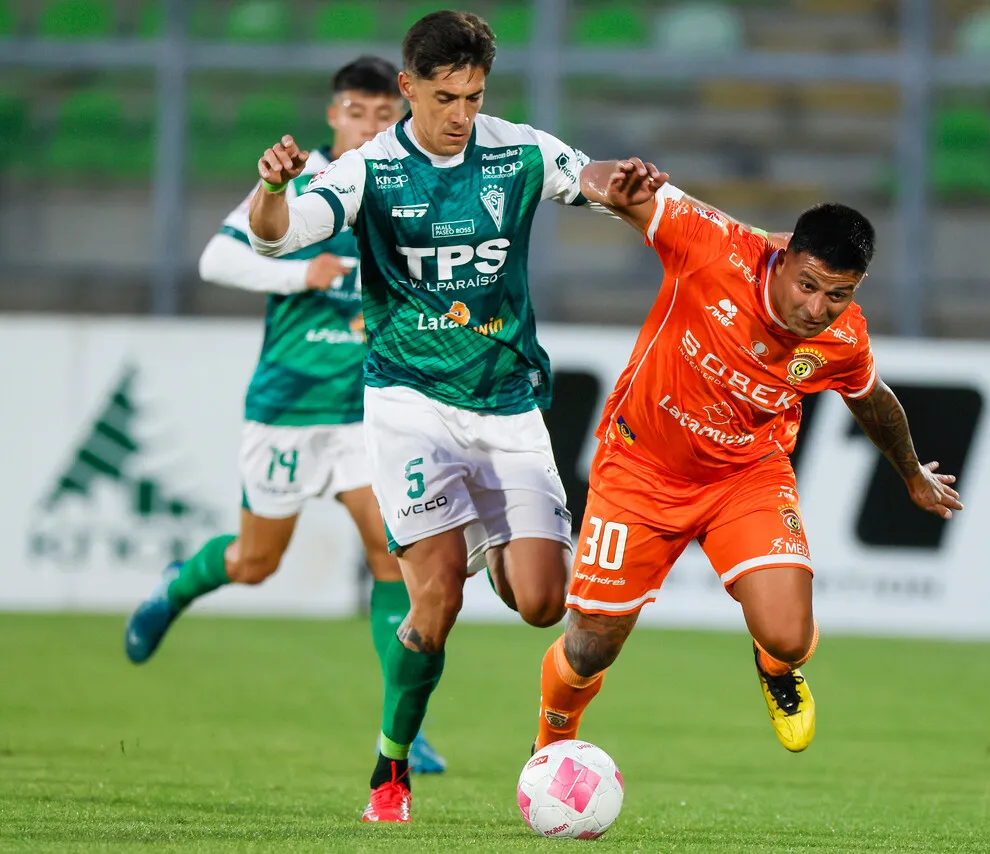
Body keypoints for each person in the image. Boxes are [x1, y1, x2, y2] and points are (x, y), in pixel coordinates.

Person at [243, 11, 746, 823]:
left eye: (474, 97)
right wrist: (271, 188)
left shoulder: (516, 151)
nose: (460, 115)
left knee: (545, 603)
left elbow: (589, 174)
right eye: (445, 97)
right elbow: (276, 238)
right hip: (408, 404)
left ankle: (468, 542)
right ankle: (390, 770)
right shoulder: (370, 170)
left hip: (508, 407)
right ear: (407, 88)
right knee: (434, 606)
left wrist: (625, 185)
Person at [533, 159, 964, 756]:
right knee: (589, 646)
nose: (817, 309)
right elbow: (600, 183)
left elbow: (873, 400)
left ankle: (777, 668)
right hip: (641, 467)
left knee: (788, 636)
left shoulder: (843, 337)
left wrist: (912, 473)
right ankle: (552, 743)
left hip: (746, 477)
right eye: (808, 285)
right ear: (782, 256)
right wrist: (612, 184)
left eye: (838, 295)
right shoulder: (713, 246)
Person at [123, 56, 445, 775]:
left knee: (390, 555)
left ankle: (403, 723)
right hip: (289, 407)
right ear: (334, 116)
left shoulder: (406, 186)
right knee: (255, 562)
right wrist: (302, 272)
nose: (370, 125)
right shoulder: (299, 180)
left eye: (383, 115)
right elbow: (215, 260)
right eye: (356, 113)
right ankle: (179, 585)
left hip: (366, 409)